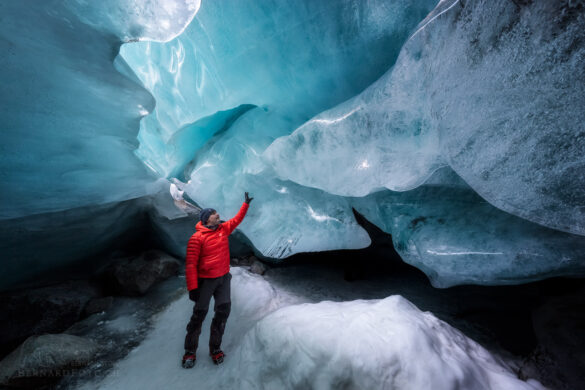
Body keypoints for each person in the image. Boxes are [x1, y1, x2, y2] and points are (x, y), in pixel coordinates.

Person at [182, 192, 254, 368]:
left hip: (223, 279)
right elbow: (191, 264)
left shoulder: (223, 229)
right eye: (214, 213)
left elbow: (236, 220)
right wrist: (193, 288)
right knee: (199, 316)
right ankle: (190, 352)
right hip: (206, 281)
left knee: (222, 313)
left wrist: (245, 205)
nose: (217, 215)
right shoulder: (197, 238)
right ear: (207, 219)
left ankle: (215, 349)